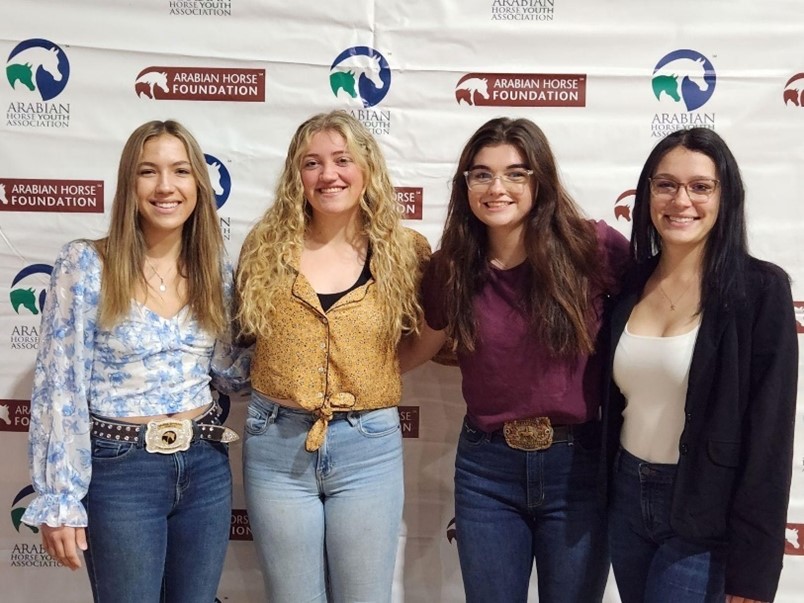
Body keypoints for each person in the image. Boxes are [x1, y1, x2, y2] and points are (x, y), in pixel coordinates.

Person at [400, 116, 630, 603]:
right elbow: (420, 346)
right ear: (465, 185)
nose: (496, 188)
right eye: (481, 174)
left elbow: (657, 308)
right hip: (487, 471)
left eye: (515, 173)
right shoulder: (451, 266)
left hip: (579, 467)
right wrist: (340, 376)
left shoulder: (592, 247)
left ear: (539, 180)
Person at [21, 120, 250, 603]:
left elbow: (231, 374)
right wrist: (60, 498)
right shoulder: (85, 264)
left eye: (180, 171)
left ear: (198, 185)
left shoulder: (215, 269)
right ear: (130, 183)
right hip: (121, 471)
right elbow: (60, 386)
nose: (166, 186)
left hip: (205, 465)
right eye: (149, 172)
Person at [235, 110, 430, 602]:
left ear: (367, 168)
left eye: (343, 160)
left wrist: (372, 371)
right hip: (276, 444)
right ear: (295, 175)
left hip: (368, 446)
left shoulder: (405, 251)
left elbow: (429, 335)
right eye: (312, 163)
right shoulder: (264, 247)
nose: (328, 175)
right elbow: (248, 336)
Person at [602, 127, 798, 603]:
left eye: (700, 186)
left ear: (725, 197)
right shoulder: (627, 284)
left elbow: (769, 439)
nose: (681, 200)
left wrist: (754, 572)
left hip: (704, 511)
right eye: (666, 184)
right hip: (625, 499)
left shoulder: (761, 290)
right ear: (648, 192)